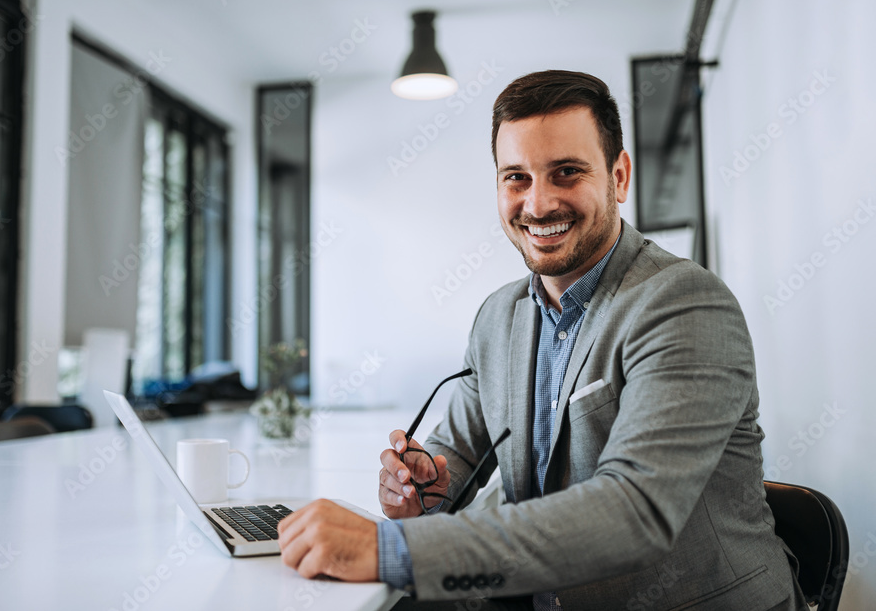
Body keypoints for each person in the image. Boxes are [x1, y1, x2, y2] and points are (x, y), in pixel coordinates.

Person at [277, 70, 806, 610]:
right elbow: (456, 450)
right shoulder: (499, 316)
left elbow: (635, 513)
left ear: (619, 177)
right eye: (517, 178)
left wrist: (392, 549)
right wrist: (424, 484)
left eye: (567, 172)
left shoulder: (685, 303)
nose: (537, 204)